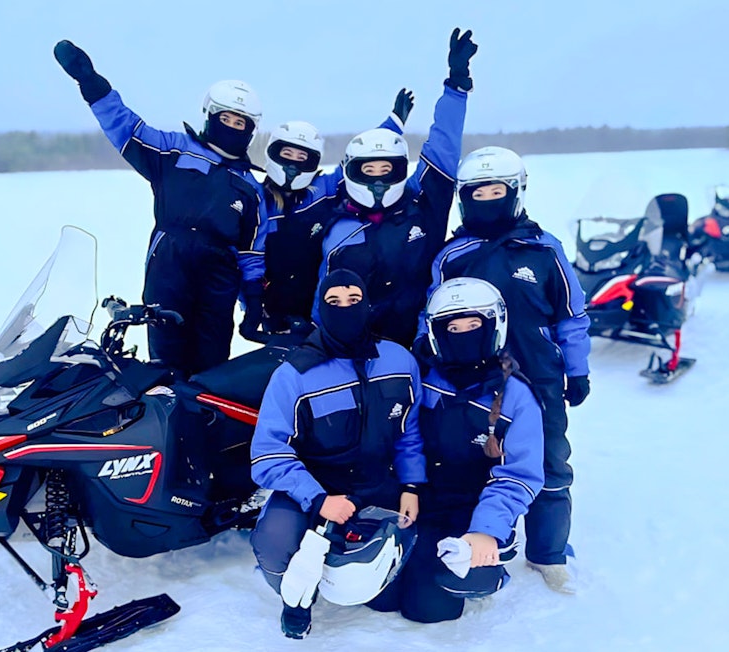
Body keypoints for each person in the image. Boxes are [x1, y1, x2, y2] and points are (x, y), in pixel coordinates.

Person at [417, 146, 591, 593]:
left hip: (538, 372)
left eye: (496, 190)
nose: (487, 199)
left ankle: (549, 553)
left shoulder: (543, 250)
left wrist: (578, 368)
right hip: (471, 375)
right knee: (474, 455)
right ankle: (482, 536)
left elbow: (571, 316)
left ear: (515, 192)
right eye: (477, 192)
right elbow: (432, 311)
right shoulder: (452, 256)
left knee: (550, 461)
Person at [53, 40, 268, 375]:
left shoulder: (251, 186)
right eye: (226, 118)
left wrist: (253, 302)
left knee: (211, 369)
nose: (232, 127)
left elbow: (253, 251)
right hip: (170, 266)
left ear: (250, 130)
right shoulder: (173, 152)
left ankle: (205, 424)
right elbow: (126, 127)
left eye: (240, 123)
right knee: (165, 365)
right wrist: (92, 84)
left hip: (219, 277)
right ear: (210, 115)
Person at [249, 269, 425, 639]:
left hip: (377, 481)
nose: (345, 308)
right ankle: (297, 597)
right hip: (313, 486)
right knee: (274, 543)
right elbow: (267, 454)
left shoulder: (399, 361)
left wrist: (411, 485)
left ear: (368, 306)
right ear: (320, 309)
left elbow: (409, 432)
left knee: (391, 598)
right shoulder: (294, 375)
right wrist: (318, 499)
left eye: (354, 300)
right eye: (334, 302)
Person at [371, 277, 544, 622]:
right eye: (453, 326)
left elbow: (518, 476)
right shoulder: (420, 377)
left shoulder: (517, 397)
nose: (463, 333)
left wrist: (485, 529)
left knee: (427, 609)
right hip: (414, 498)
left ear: (493, 326)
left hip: (468, 509)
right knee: (378, 597)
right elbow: (402, 438)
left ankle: (490, 564)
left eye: (474, 325)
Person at [311, 28, 477, 348]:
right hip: (359, 353)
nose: (377, 179)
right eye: (367, 170)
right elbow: (326, 295)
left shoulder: (422, 203)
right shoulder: (337, 229)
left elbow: (443, 147)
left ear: (400, 170)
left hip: (423, 347)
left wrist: (456, 89)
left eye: (386, 170)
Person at [247, 91, 417, 339]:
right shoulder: (257, 200)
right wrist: (252, 304)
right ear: (274, 154)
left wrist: (393, 126)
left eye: (301, 157)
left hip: (322, 306)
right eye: (287, 155)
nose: (294, 164)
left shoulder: (322, 190)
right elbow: (247, 258)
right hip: (278, 312)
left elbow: (359, 161)